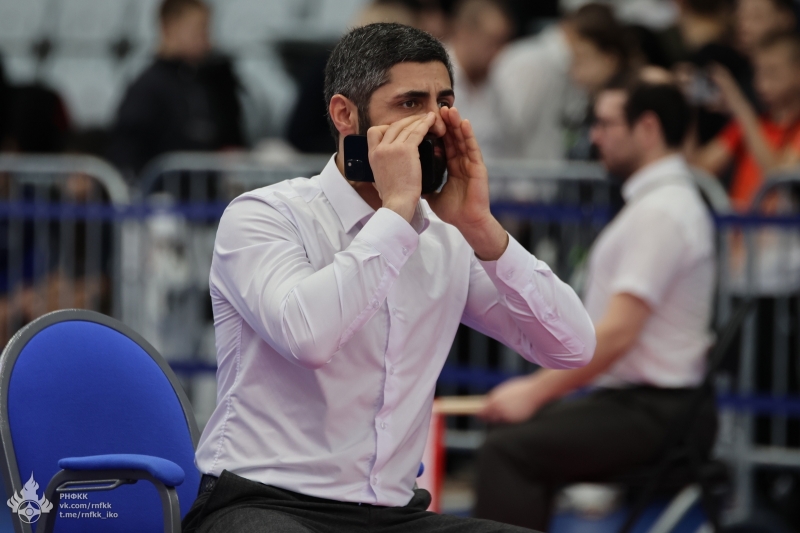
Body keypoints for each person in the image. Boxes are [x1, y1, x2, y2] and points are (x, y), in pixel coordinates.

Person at [182, 22, 596, 533]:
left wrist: (482, 229)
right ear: (344, 114)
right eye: (410, 103)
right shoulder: (264, 215)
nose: (434, 123)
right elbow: (309, 338)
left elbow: (571, 347)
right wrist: (395, 213)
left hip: (394, 514)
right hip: (265, 501)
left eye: (444, 102)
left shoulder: (447, 238)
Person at [473, 81, 717, 530]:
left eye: (606, 124)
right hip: (647, 403)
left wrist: (533, 391)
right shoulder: (660, 203)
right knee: (509, 436)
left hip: (657, 411)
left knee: (509, 451)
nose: (594, 136)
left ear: (647, 128)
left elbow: (618, 334)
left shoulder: (662, 211)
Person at [107, 0, 244, 180]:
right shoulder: (147, 87)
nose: (207, 39)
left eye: (206, 29)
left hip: (206, 194)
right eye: (199, 29)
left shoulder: (210, 82)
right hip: (163, 194)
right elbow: (126, 150)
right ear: (169, 27)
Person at [693, 31, 800, 210]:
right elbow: (698, 169)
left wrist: (738, 106)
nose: (761, 82)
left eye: (772, 72)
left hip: (779, 227)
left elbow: (779, 178)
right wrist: (687, 111)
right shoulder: (749, 123)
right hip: (738, 225)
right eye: (757, 71)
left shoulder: (747, 120)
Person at [446, 0, 514, 157]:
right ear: (464, 33)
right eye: (491, 42)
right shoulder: (434, 75)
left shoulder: (495, 83)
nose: (499, 52)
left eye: (502, 43)